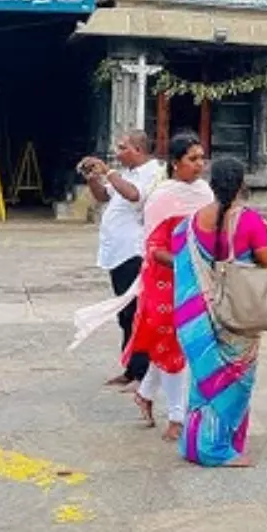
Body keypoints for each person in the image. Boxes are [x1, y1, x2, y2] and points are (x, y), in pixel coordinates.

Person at [176, 157, 267, 467]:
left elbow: (180, 264)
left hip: (202, 319)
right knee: (234, 381)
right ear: (242, 185)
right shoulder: (249, 221)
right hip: (238, 316)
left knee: (203, 380)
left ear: (211, 184)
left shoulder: (193, 222)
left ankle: (195, 444)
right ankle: (218, 449)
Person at [124, 133, 211, 434]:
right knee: (171, 345)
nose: (199, 165)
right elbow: (152, 247)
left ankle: (145, 394)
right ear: (176, 164)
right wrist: (184, 263)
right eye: (192, 159)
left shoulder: (205, 193)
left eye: (201, 158)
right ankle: (177, 418)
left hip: (196, 279)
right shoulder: (162, 197)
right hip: (164, 281)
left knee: (179, 345)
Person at [84, 130, 164, 387]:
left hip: (134, 251)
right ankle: (131, 366)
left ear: (138, 150)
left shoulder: (152, 172)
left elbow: (133, 195)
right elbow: (104, 196)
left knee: (136, 312)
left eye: (122, 148)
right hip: (117, 253)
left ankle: (141, 371)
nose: (117, 153)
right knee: (125, 313)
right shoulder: (126, 173)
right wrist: (93, 178)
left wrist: (108, 171)